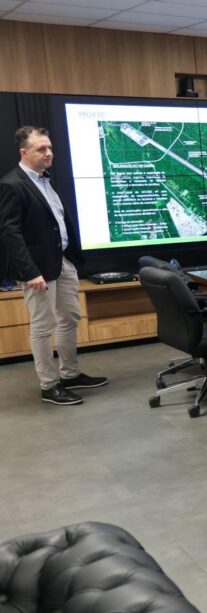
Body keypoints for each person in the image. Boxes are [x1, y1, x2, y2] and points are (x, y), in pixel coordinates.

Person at [0, 126, 106, 406]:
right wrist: (30, 272)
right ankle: (49, 386)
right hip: (38, 270)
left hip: (63, 261)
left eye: (49, 147)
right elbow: (10, 233)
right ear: (24, 152)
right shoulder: (12, 184)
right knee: (43, 326)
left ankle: (69, 374)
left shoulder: (46, 180)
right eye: (41, 149)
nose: (49, 153)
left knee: (70, 317)